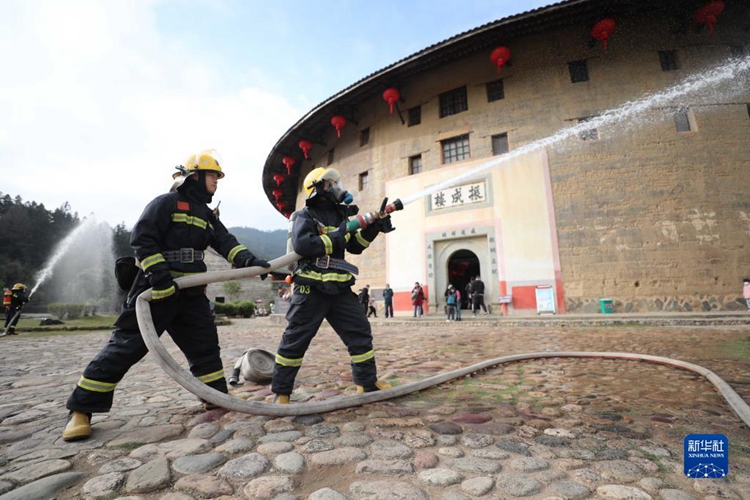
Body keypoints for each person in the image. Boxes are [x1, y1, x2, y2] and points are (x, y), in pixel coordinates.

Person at [61, 149, 271, 442]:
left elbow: (227, 244)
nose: (216, 182)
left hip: (191, 294)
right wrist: (159, 276)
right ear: (194, 177)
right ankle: (81, 410)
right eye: (212, 175)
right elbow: (142, 239)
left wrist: (250, 261)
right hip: (156, 291)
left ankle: (213, 397)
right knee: (125, 348)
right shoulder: (166, 203)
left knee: (205, 349)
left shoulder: (208, 216)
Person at [272, 167, 394, 404]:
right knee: (296, 339)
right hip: (311, 287)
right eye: (331, 183)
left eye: (337, 182)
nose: (337, 187)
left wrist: (374, 228)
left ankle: (366, 383)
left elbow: (354, 245)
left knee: (360, 332)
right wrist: (342, 231)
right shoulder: (304, 215)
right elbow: (305, 246)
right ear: (318, 188)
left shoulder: (340, 217)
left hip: (339, 289)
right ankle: (282, 392)